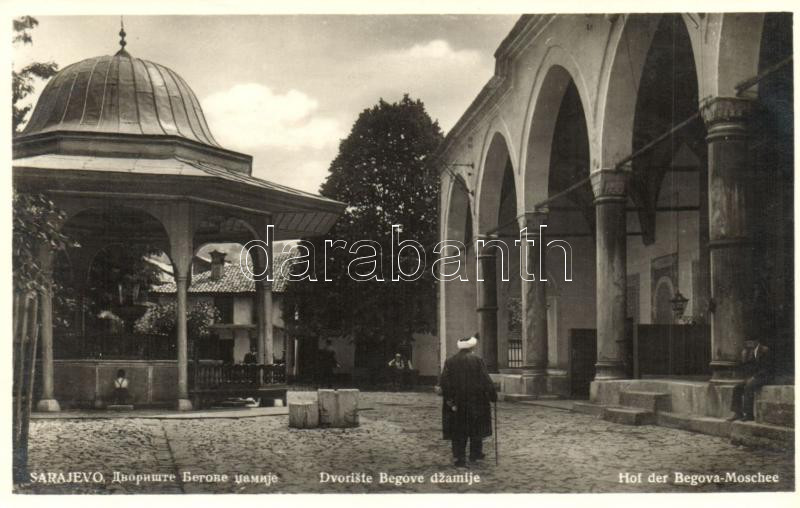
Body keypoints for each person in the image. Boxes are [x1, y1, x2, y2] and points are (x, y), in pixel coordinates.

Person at [439, 334, 497, 467]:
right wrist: (493, 395)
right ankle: (475, 454)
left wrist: (450, 400)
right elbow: (485, 379)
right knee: (476, 428)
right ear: (472, 347)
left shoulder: (450, 361)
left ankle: (459, 458)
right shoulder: (477, 360)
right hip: (476, 401)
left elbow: (444, 382)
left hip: (457, 402)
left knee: (458, 430)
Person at [729, 339, 772, 421]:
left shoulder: (765, 350)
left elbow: (767, 368)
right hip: (754, 377)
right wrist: (743, 359)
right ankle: (738, 413)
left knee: (749, 386)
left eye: (750, 342)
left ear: (756, 341)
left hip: (765, 377)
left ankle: (749, 414)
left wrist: (754, 377)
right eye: (747, 342)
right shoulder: (749, 352)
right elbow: (747, 368)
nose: (749, 344)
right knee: (737, 387)